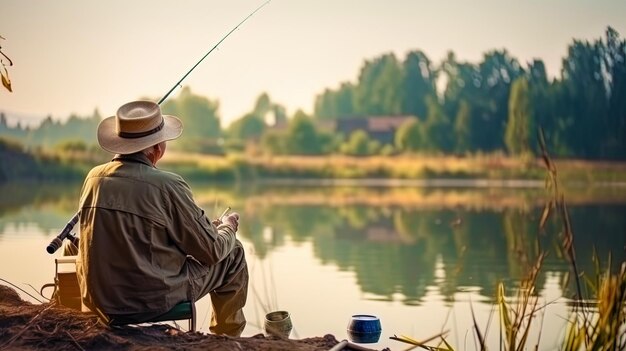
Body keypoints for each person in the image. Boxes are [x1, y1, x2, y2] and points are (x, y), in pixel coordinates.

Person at [69, 100, 248, 337]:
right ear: (156, 149)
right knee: (232, 252)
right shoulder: (168, 184)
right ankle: (227, 339)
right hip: (148, 301)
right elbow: (212, 251)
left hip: (99, 302)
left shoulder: (93, 178)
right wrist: (227, 228)